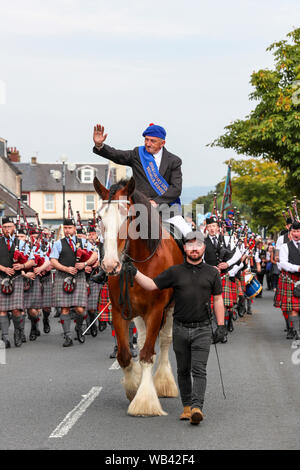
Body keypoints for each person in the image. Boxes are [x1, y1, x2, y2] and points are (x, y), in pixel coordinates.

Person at [128, 231, 226, 425]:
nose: (194, 249)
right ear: (185, 249)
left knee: (199, 369)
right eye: (190, 246)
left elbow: (218, 299)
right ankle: (187, 407)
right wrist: (134, 271)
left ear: (203, 248)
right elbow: (151, 285)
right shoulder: (174, 272)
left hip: (203, 329)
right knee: (183, 370)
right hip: (180, 329)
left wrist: (221, 326)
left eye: (198, 245)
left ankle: (197, 407)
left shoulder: (212, 273)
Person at [92, 122, 191, 237]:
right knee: (113, 235)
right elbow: (117, 155)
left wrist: (156, 202)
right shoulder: (137, 154)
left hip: (167, 211)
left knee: (190, 238)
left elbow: (176, 189)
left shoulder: (174, 161)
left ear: (162, 143)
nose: (148, 144)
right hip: (139, 210)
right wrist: (100, 146)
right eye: (146, 140)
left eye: (152, 141)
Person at [50, 219, 98, 347]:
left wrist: (85, 263)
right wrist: (65, 268)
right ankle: (67, 336)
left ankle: (78, 327)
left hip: (79, 276)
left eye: (69, 228)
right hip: (63, 277)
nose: (67, 230)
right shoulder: (58, 243)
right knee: (64, 308)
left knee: (80, 309)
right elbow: (53, 260)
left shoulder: (83, 242)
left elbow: (95, 255)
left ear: (74, 229)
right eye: (65, 228)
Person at [0, 218, 30, 348]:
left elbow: (32, 261)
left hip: (17, 279)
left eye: (9, 226)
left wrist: (22, 265)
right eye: (5, 227)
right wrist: (3, 268)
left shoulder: (22, 244)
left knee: (17, 310)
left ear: (14, 228)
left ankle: (18, 331)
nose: (7, 229)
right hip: (1, 278)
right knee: (2, 310)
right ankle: (5, 337)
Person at [275, 221, 300, 339]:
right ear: (290, 233)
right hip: (292, 278)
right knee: (294, 307)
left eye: (298, 231)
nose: (296, 233)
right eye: (294, 231)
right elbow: (283, 263)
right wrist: (297, 268)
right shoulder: (285, 246)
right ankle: (296, 331)